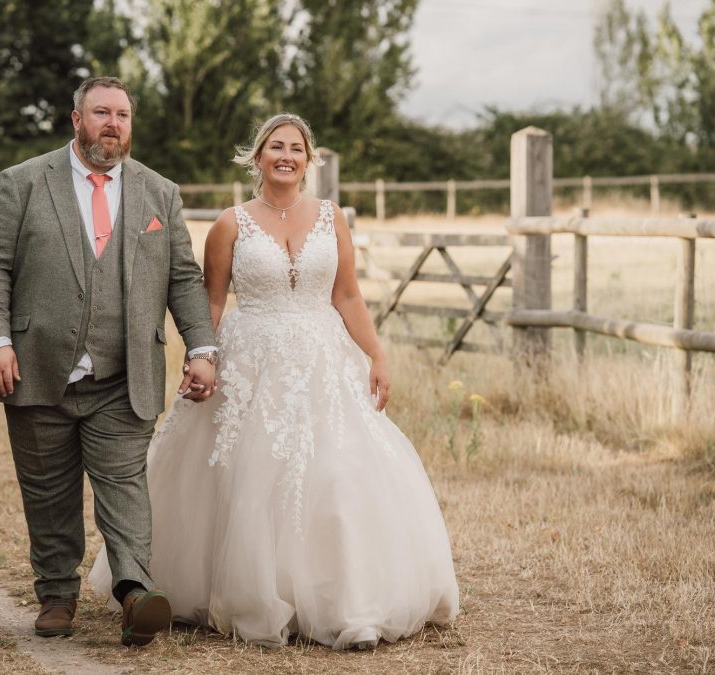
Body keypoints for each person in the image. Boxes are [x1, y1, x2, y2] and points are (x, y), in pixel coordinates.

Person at [90, 113, 459, 650]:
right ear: (257, 157)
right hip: (248, 362)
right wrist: (203, 359)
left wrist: (377, 355)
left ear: (309, 161)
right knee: (244, 477)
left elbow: (348, 295)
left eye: (296, 149)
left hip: (323, 361)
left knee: (335, 473)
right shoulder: (231, 224)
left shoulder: (332, 218)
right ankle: (245, 594)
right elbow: (209, 302)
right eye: (275, 147)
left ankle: (347, 604)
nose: (286, 155)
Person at [0, 76, 217, 647]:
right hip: (35, 367)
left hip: (124, 374)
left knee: (126, 485)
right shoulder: (24, 182)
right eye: (102, 112)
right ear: (76, 119)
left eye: (124, 115)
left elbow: (183, 278)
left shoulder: (160, 193)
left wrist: (202, 349)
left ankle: (135, 592)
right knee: (48, 490)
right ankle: (56, 594)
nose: (114, 123)